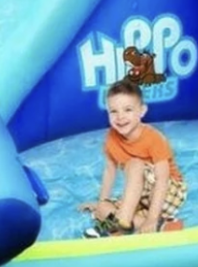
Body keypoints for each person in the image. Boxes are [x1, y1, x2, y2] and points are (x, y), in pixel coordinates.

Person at [79, 79, 187, 237]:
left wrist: (151, 217)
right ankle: (160, 227)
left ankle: (122, 224)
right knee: (101, 210)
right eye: (113, 111)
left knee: (135, 163)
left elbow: (162, 180)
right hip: (141, 193)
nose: (120, 117)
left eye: (128, 109)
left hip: (169, 191)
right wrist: (102, 202)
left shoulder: (154, 138)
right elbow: (109, 171)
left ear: (142, 111)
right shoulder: (111, 138)